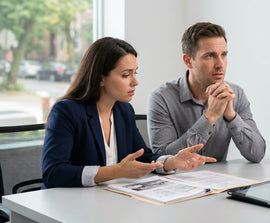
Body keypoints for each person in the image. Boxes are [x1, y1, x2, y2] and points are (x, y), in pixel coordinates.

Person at [41, 37, 216, 188]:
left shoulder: (123, 110)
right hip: (70, 206)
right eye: (126, 75)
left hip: (111, 201)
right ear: (100, 77)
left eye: (135, 73)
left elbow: (144, 156)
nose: (135, 82)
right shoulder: (66, 111)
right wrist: (116, 171)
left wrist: (170, 162)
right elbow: (53, 172)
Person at [147, 22, 266, 162]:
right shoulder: (161, 98)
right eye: (210, 56)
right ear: (188, 61)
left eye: (224, 55)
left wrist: (231, 116)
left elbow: (257, 154)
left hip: (221, 182)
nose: (220, 64)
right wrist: (210, 117)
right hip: (178, 181)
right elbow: (162, 159)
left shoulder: (236, 94)